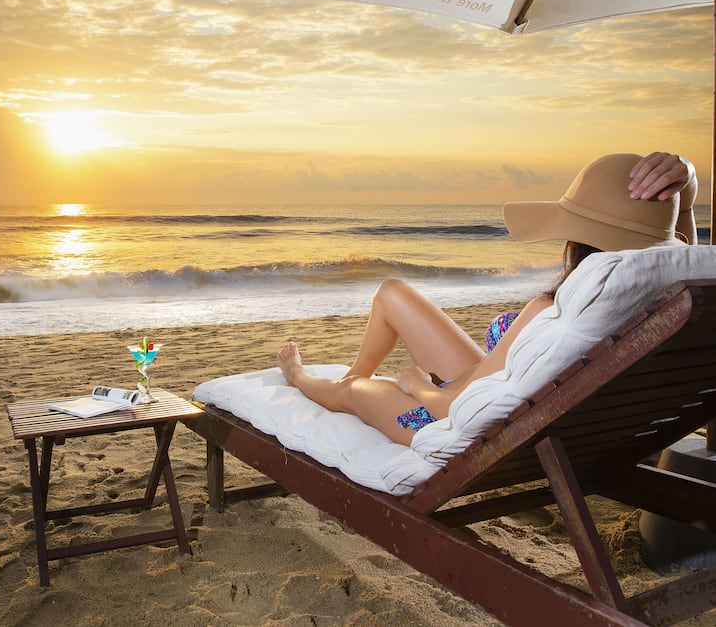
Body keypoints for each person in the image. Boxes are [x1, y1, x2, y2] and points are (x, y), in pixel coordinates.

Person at [277, 152, 698, 446]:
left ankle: (302, 378)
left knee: (356, 391)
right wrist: (687, 192)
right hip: (495, 389)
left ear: (577, 239)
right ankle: (353, 373)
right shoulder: (667, 294)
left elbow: (457, 411)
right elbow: (683, 253)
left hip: (437, 418)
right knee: (391, 293)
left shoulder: (551, 310)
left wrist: (418, 387)